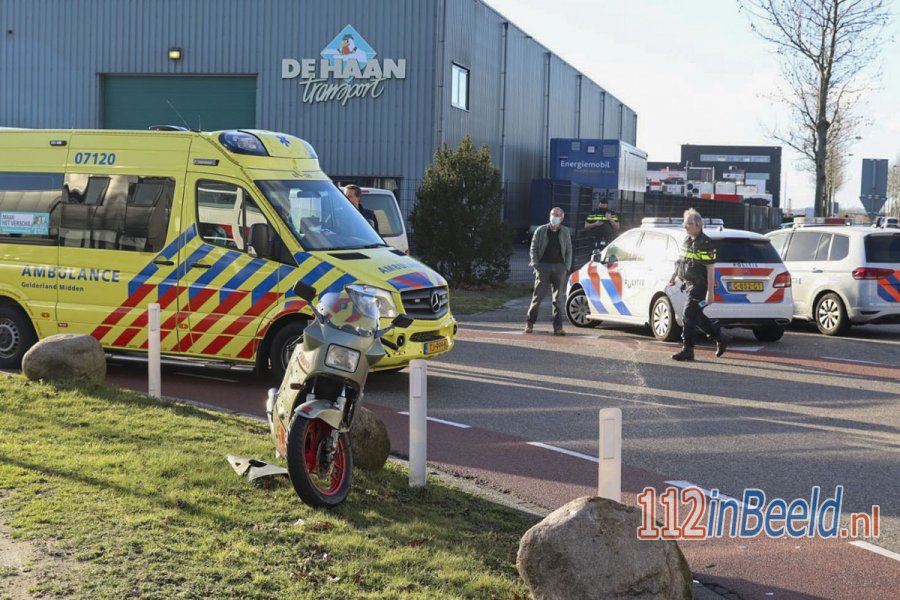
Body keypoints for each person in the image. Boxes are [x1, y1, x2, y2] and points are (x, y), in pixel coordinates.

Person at [667, 208, 732, 361]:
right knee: (696, 316)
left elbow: (710, 270)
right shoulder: (687, 240)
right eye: (685, 223)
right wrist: (673, 277)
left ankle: (688, 350)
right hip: (688, 284)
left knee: (688, 315)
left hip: (700, 285)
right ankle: (721, 337)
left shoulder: (706, 243)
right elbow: (681, 261)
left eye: (688, 223)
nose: (685, 226)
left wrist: (711, 292)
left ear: (698, 225)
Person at [526, 207, 573, 336]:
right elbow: (533, 248)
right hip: (543, 267)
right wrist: (536, 264)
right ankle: (530, 322)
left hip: (559, 268)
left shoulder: (565, 231)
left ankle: (558, 327)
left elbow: (569, 250)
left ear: (562, 218)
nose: (554, 217)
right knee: (538, 297)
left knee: (557, 299)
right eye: (553, 214)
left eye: (557, 215)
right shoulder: (541, 230)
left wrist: (566, 267)